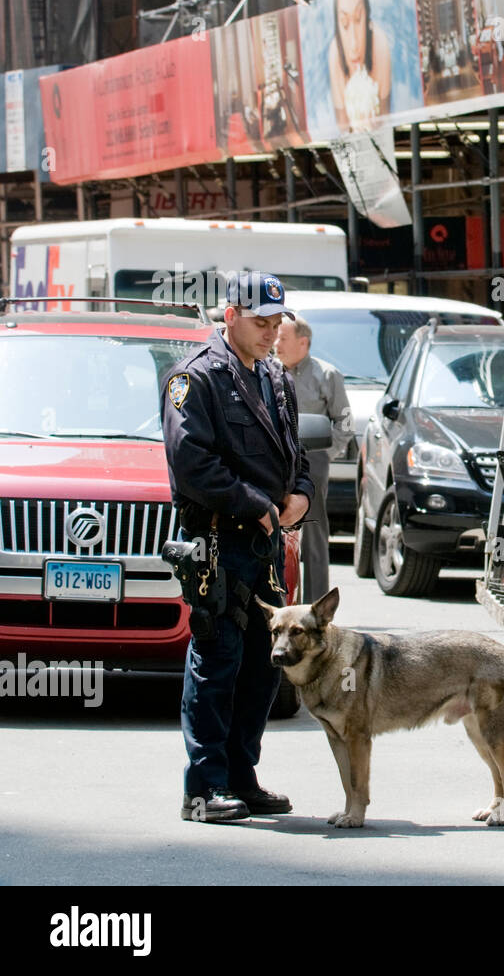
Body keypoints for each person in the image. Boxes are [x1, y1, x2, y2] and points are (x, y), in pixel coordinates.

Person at [162, 271, 313, 823]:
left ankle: (242, 778)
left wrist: (300, 494)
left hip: (267, 545)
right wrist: (255, 502)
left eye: (278, 322)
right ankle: (203, 789)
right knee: (217, 661)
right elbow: (192, 464)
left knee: (263, 665)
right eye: (261, 322)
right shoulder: (194, 378)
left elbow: (295, 454)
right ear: (229, 316)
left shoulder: (276, 378)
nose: (272, 332)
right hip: (218, 541)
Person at [275, 315, 352, 603]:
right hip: (275, 462)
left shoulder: (327, 375)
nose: (276, 343)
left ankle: (317, 607)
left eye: (282, 338)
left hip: (313, 460)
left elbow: (344, 424)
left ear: (302, 342)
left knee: (314, 532)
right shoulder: (268, 371)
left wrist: (324, 456)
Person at [328, 0, 392, 133]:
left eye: (358, 19)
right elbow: (343, 131)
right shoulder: (335, 54)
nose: (354, 44)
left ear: (367, 17)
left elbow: (385, 124)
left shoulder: (380, 44)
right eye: (344, 24)